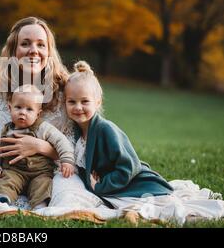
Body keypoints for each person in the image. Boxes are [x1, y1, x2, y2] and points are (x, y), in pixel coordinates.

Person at [0, 17, 104, 214]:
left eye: (41, 45)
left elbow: (83, 147)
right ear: (14, 50)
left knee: (70, 198)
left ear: (49, 51)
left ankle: (33, 207)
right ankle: (8, 205)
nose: (33, 50)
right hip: (7, 176)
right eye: (25, 44)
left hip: (53, 175)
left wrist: (42, 147)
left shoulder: (66, 92)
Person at [65, 61, 173, 203]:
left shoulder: (106, 129)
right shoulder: (75, 131)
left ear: (97, 102)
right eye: (72, 102)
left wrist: (100, 186)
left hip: (135, 184)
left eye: (85, 101)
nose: (78, 107)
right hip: (110, 184)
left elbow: (129, 166)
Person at [0, 85, 75, 209]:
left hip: (40, 172)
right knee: (8, 180)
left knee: (42, 184)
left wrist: (67, 160)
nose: (23, 112)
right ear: (9, 108)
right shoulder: (6, 130)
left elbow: (62, 142)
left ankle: (39, 205)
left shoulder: (43, 128)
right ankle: (3, 200)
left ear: (38, 114)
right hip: (14, 170)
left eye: (29, 109)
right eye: (18, 107)